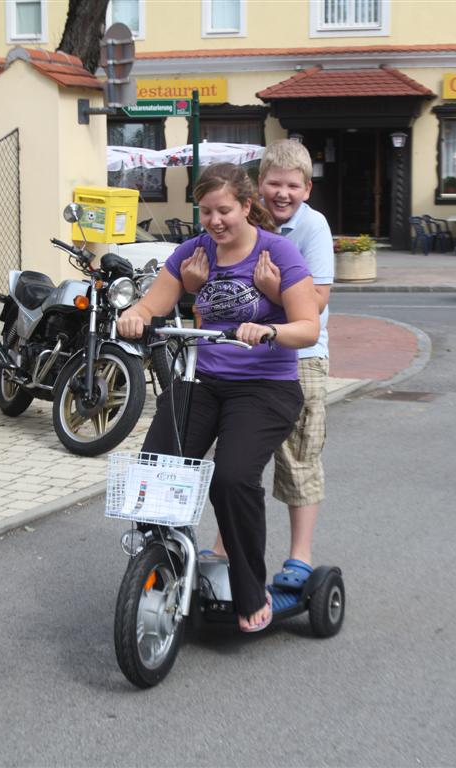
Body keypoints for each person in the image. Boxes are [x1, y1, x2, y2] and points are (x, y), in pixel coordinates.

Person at [117, 163, 319, 633]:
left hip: (265, 388)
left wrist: (270, 329)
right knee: (158, 465)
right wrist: (135, 313)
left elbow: (308, 327)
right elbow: (153, 305)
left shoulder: (279, 252)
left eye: (224, 210)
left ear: (246, 206)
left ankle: (251, 590)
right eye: (206, 211)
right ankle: (162, 561)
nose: (214, 221)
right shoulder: (193, 252)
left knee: (230, 478)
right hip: (203, 380)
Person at [182, 140, 334, 592]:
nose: (282, 193)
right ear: (257, 188)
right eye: (273, 183)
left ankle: (300, 556)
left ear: (306, 189)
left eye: (292, 185)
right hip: (237, 362)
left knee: (297, 459)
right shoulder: (234, 226)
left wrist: (270, 296)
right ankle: (227, 546)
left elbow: (318, 302)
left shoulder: (312, 228)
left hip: (299, 357)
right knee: (239, 461)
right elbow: (210, 302)